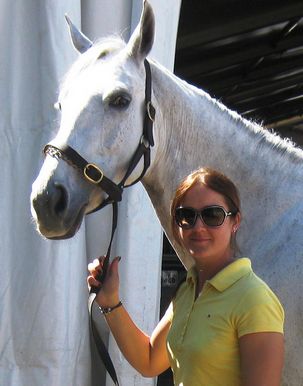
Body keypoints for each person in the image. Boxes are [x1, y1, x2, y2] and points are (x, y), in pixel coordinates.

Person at [87, 167, 284, 386]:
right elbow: (149, 360)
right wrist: (110, 301)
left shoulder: (254, 299)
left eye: (212, 215)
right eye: (186, 216)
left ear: (235, 221)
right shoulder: (188, 290)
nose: (198, 227)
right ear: (175, 225)